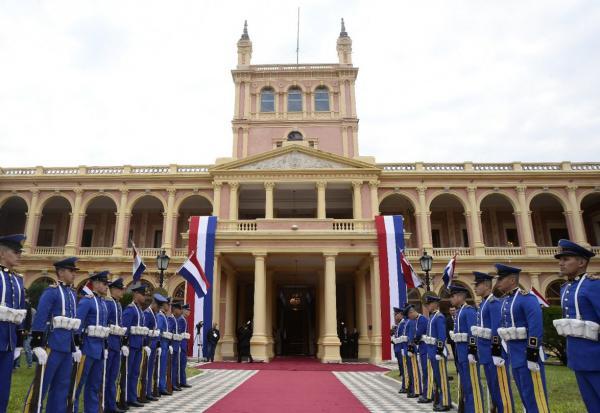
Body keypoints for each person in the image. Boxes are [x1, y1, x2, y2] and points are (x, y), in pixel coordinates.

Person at [26, 257, 79, 412]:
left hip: (67, 346)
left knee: (62, 386)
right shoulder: (52, 291)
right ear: (61, 272)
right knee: (42, 384)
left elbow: (73, 321)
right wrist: (37, 344)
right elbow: (41, 317)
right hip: (52, 344)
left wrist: (75, 345)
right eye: (71, 271)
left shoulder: (71, 293)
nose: (74, 274)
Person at [495, 263, 549, 413]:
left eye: (501, 279)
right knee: (525, 395)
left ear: (512, 280)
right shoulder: (506, 301)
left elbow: (535, 327)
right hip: (515, 355)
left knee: (535, 396)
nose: (498, 283)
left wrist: (532, 353)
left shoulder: (527, 299)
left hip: (527, 355)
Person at [553, 240, 599, 412]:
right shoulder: (566, 287)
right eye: (560, 259)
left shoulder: (593, 286)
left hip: (595, 358)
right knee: (591, 403)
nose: (561, 263)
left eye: (566, 259)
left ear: (581, 262)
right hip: (577, 357)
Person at [472, 271, 514, 413]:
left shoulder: (493, 303)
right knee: (493, 387)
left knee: (501, 388)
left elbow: (497, 329)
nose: (475, 288)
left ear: (485, 285)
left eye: (477, 285)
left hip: (494, 353)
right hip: (485, 353)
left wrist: (496, 351)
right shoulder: (484, 303)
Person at [74, 270, 110, 413]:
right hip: (87, 347)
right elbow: (78, 324)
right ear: (95, 284)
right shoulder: (87, 301)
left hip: (99, 348)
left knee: (94, 385)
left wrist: (105, 346)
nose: (106, 286)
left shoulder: (102, 302)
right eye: (104, 283)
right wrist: (76, 345)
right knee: (79, 383)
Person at [0, 234, 26, 413]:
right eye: (15, 252)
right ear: (2, 253)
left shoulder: (17, 280)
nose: (19, 256)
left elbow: (20, 311)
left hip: (8, 340)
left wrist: (19, 340)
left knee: (3, 386)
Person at [449, 284, 484, 413]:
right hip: (460, 353)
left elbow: (473, 332)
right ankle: (468, 409)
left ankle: (475, 409)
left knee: (472, 384)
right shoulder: (459, 312)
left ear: (459, 296)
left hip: (468, 353)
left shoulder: (469, 310)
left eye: (452, 296)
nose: (451, 300)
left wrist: (472, 351)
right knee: (465, 384)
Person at [122, 284, 150, 407]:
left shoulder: (140, 310)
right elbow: (125, 328)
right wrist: (124, 343)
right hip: (130, 346)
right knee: (127, 372)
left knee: (135, 372)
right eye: (142, 294)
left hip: (138, 345)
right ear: (135, 294)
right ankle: (125, 397)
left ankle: (132, 396)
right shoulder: (130, 309)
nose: (144, 297)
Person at [423, 294, 452, 412]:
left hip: (437, 352)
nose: (428, 306)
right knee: (437, 378)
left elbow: (441, 336)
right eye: (427, 304)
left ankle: (445, 402)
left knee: (442, 378)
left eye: (429, 304)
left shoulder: (439, 317)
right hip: (431, 351)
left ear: (435, 304)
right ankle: (439, 399)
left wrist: (440, 351)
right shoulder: (432, 317)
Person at [104, 277, 128, 413]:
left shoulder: (118, 304)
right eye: (120, 289)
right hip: (109, 343)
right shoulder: (108, 303)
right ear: (113, 290)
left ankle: (111, 405)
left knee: (113, 377)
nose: (122, 292)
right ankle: (105, 404)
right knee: (106, 377)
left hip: (117, 343)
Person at [144, 293, 161, 401]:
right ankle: (145, 392)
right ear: (153, 304)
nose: (159, 309)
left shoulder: (154, 313)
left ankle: (149, 391)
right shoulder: (147, 313)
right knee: (146, 370)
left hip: (154, 345)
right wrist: (145, 344)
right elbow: (145, 330)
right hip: (148, 345)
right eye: (158, 306)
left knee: (151, 369)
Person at [156, 295, 171, 396]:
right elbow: (158, 330)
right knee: (160, 367)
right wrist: (159, 344)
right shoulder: (160, 316)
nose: (169, 306)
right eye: (167, 304)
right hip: (162, 344)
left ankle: (162, 386)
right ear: (163, 305)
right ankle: (159, 387)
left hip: (165, 344)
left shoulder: (164, 316)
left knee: (164, 367)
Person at [405, 304, 421, 399]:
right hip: (411, 347)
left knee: (415, 371)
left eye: (409, 314)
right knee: (412, 370)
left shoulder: (414, 321)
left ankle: (417, 390)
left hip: (414, 348)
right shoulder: (411, 321)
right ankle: (414, 389)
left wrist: (411, 347)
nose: (409, 317)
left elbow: (413, 335)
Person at [15, 292, 34, 369]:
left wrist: (27, 329)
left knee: (25, 348)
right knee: (15, 347)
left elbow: (29, 318)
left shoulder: (27, 305)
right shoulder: (16, 302)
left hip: (23, 329)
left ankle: (29, 364)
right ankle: (16, 365)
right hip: (15, 328)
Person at [390, 306, 405, 394]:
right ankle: (404, 385)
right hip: (397, 348)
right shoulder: (399, 324)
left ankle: (405, 386)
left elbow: (402, 337)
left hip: (401, 348)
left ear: (400, 315)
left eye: (396, 315)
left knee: (404, 368)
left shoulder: (403, 324)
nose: (395, 317)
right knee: (402, 367)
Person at [169, 302, 183, 391]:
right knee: (172, 366)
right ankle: (171, 384)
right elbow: (169, 331)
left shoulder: (175, 319)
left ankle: (174, 383)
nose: (181, 311)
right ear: (175, 309)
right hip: (172, 346)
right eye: (179, 309)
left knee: (175, 366)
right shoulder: (171, 319)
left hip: (176, 345)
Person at [178, 303, 192, 388]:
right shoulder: (181, 320)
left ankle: (183, 381)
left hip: (184, 344)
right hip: (181, 344)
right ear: (183, 310)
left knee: (183, 364)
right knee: (181, 364)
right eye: (188, 310)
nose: (189, 312)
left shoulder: (184, 319)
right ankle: (181, 381)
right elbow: (179, 333)